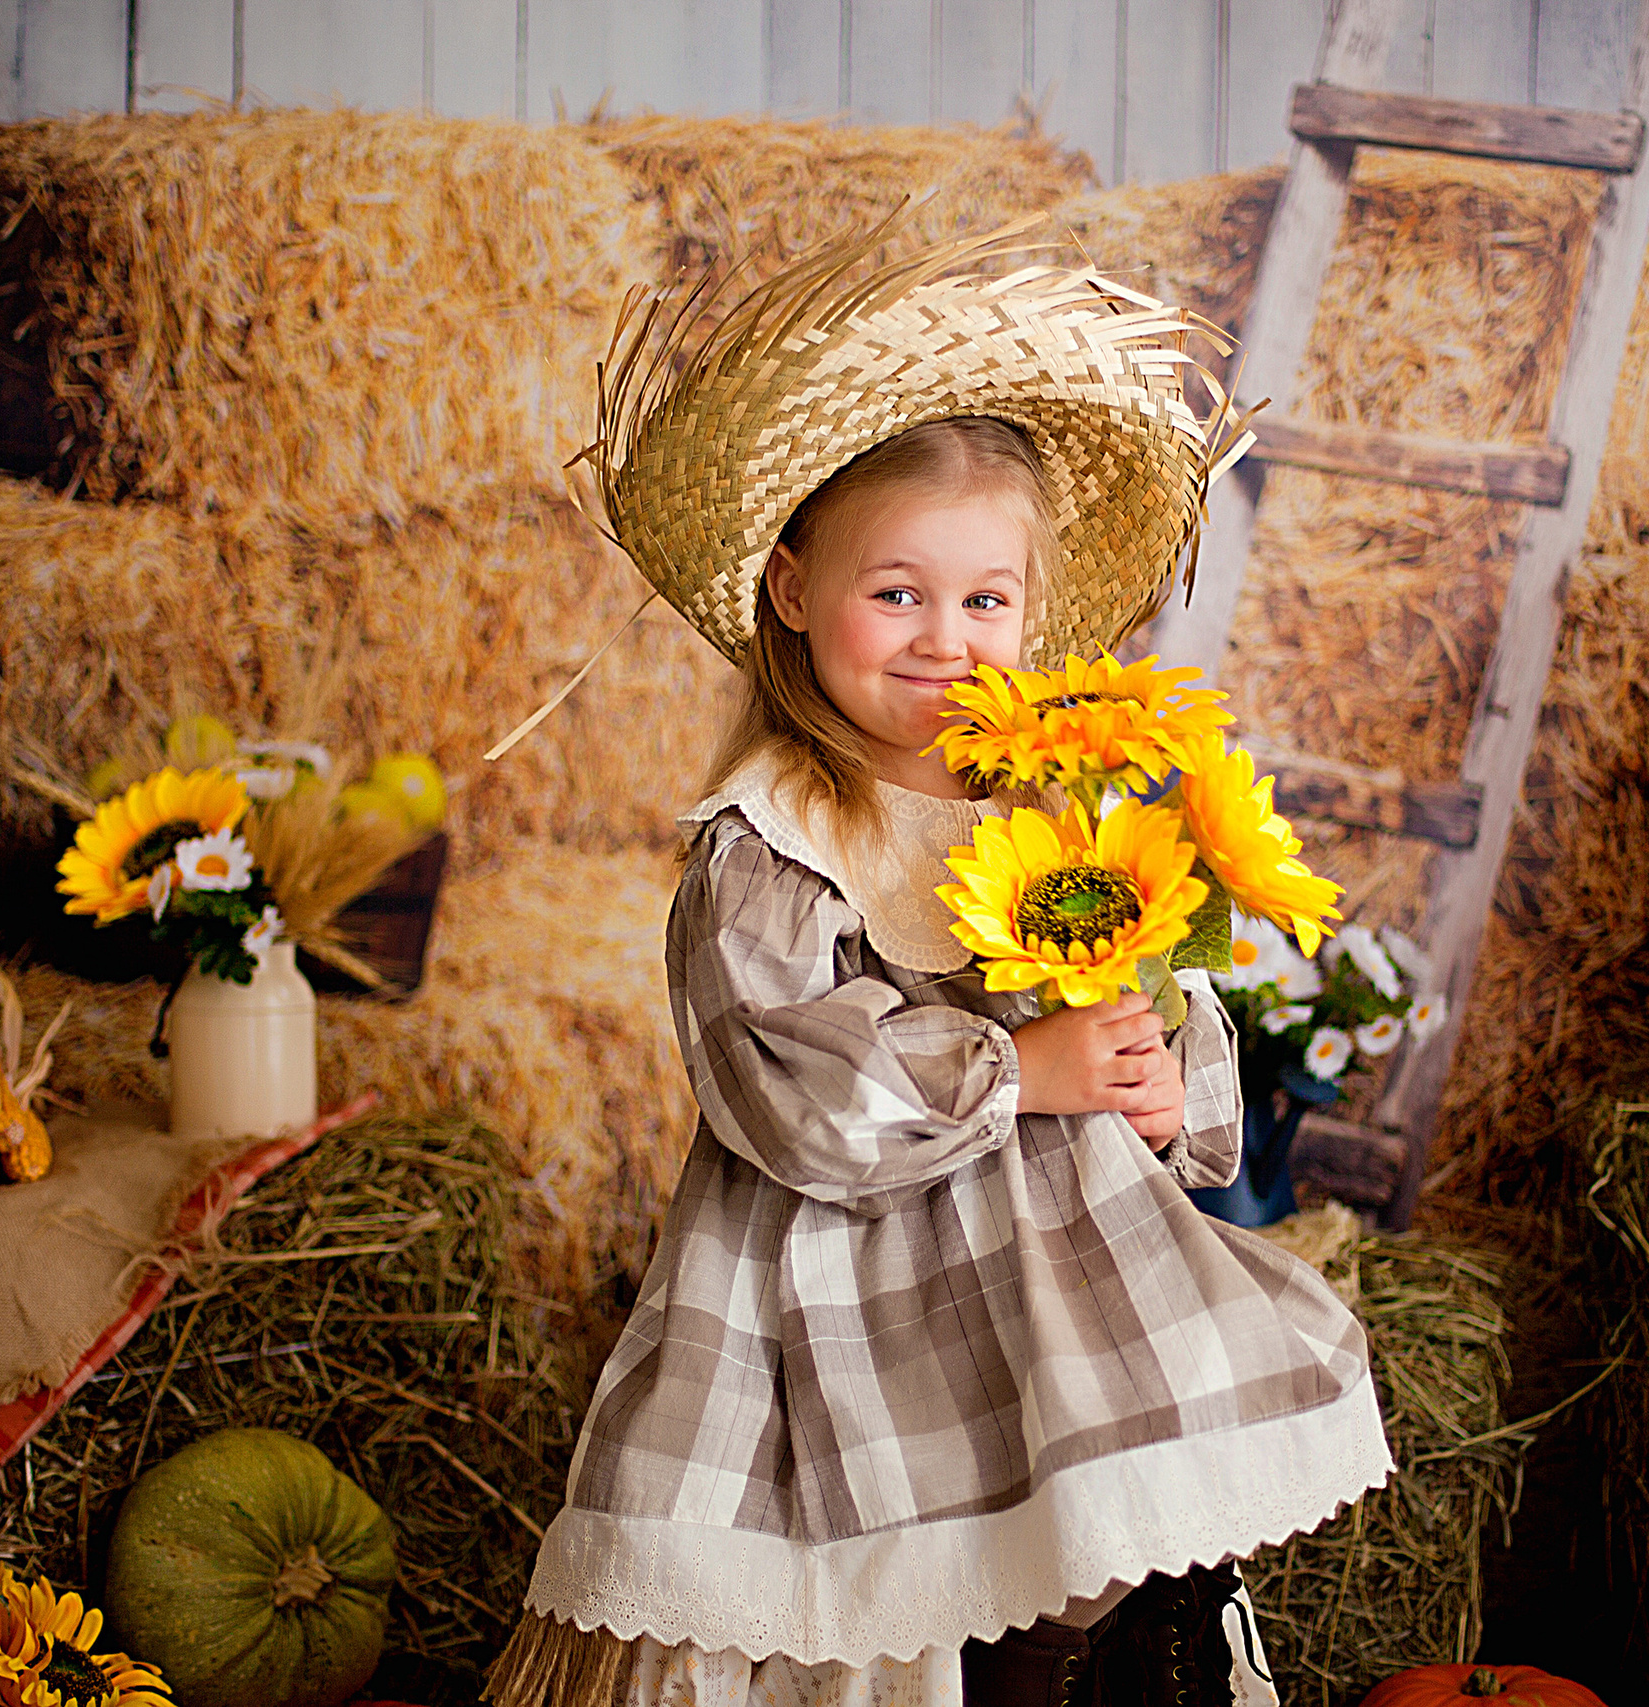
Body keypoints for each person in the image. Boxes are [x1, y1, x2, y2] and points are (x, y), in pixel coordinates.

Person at [489, 225, 1392, 1707]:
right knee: (873, 1613)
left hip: (1057, 1277)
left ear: (1032, 618)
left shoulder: (1060, 805)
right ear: (790, 589)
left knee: (1114, 1519)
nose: (943, 639)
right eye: (894, 593)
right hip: (842, 1295)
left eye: (984, 602)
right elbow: (788, 1087)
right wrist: (1020, 1065)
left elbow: (1164, 1000)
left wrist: (1162, 1075)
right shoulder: (778, 837)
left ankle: (1131, 1653)